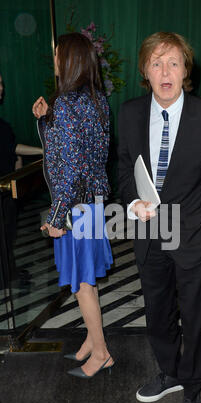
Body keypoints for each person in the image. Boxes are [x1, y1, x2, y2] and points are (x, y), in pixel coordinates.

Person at [118, 32, 201, 403]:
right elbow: (122, 170)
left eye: (173, 62)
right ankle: (169, 373)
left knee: (196, 316)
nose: (164, 71)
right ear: (144, 72)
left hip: (193, 237)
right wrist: (133, 201)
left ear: (186, 70)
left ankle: (193, 388)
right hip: (150, 234)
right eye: (156, 63)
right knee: (157, 312)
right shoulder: (130, 113)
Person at [32, 32, 114, 378]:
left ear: (67, 60)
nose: (54, 60)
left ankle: (102, 353)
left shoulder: (66, 105)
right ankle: (89, 342)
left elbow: (70, 170)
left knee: (81, 285)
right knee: (86, 283)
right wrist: (45, 120)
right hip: (92, 204)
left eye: (56, 55)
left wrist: (56, 217)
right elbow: (82, 156)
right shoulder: (96, 100)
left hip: (74, 208)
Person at [0, 73, 43, 289]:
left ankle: (9, 273)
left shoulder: (2, 123)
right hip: (2, 187)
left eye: (0, 83)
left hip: (7, 186)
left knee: (8, 233)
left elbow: (12, 147)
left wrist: (42, 151)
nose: (0, 88)